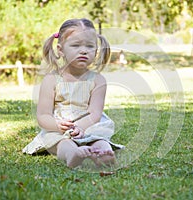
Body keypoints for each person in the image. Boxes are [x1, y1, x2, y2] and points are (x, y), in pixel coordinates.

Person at [22, 18, 124, 168]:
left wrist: (81, 128)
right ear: (61, 50)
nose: (83, 50)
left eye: (89, 46)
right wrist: (56, 125)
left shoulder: (97, 80)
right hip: (60, 128)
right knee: (62, 143)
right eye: (76, 45)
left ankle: (103, 154)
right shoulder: (51, 80)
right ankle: (72, 155)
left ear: (95, 52)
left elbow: (95, 113)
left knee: (99, 139)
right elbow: (43, 115)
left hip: (88, 125)